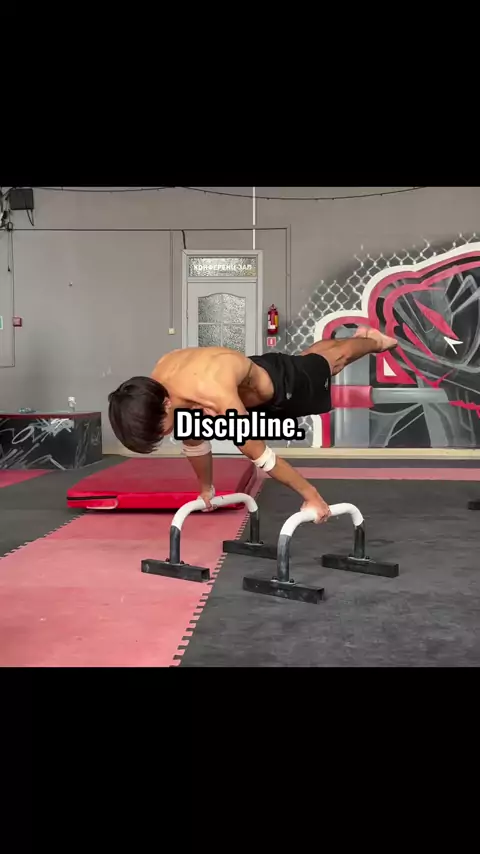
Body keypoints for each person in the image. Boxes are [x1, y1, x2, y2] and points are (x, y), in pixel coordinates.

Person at [108, 327, 397, 522]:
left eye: (161, 430)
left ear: (166, 404)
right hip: (249, 379)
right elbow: (193, 440)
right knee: (313, 360)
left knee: (332, 361)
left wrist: (313, 496)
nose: (165, 435)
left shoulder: (213, 394)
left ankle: (373, 341)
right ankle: (351, 344)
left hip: (282, 387)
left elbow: (261, 456)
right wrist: (206, 490)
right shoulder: (158, 381)